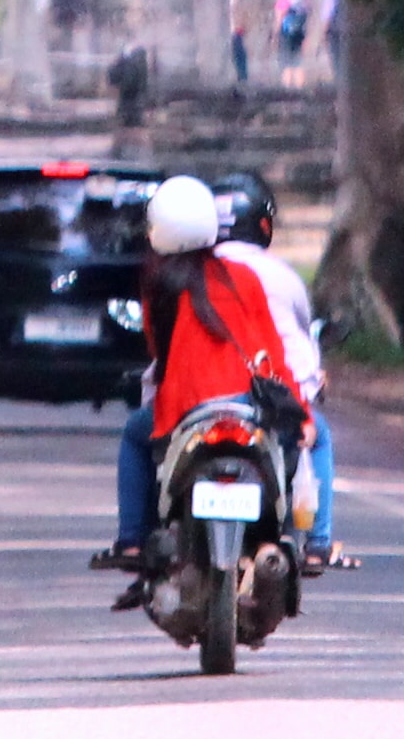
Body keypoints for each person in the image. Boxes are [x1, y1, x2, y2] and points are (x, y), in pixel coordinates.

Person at [108, 172, 316, 600]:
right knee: (289, 456)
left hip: (185, 410)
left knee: (134, 435)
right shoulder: (245, 278)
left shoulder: (160, 284)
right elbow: (272, 354)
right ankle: (294, 539)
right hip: (247, 406)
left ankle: (132, 538)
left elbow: (158, 353)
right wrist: (302, 413)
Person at [213, 177, 340, 563]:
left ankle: (135, 536)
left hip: (194, 402)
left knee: (141, 436)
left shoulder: (185, 275)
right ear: (263, 225)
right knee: (316, 436)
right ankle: (317, 541)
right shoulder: (279, 277)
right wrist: (304, 397)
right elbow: (293, 349)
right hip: (260, 399)